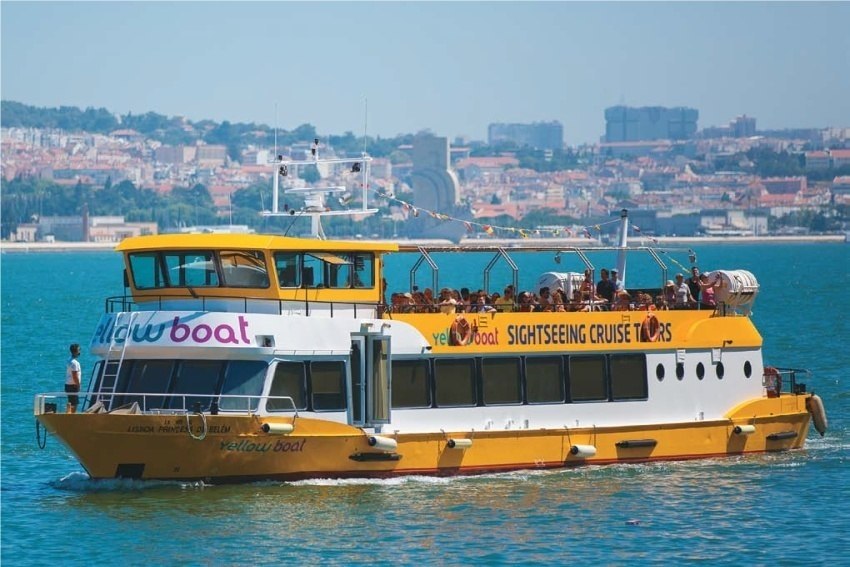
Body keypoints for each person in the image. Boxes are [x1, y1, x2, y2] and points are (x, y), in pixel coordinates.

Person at [65, 343, 82, 414]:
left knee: (71, 401)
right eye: (79, 350)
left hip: (68, 384)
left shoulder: (69, 360)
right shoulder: (75, 363)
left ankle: (69, 414)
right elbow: (75, 375)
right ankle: (71, 416)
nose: (79, 352)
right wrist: (78, 385)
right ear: (75, 352)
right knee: (74, 403)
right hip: (73, 385)